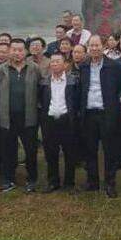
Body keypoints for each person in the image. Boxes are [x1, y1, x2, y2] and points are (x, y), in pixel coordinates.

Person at [79, 35, 121, 197]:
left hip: (107, 113)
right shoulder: (84, 66)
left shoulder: (114, 66)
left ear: (103, 46)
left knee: (109, 150)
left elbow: (120, 88)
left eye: (97, 45)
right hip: (89, 113)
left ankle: (110, 183)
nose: (94, 48)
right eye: (91, 46)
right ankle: (92, 182)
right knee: (90, 149)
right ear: (88, 47)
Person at [0, 38, 42, 193]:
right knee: (8, 150)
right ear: (9, 51)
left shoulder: (34, 68)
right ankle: (8, 179)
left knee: (30, 150)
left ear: (25, 51)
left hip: (28, 117)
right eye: (14, 49)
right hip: (7, 117)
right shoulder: (1, 69)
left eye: (20, 50)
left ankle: (32, 179)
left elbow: (40, 89)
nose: (17, 53)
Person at [39, 52, 80, 192]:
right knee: (51, 153)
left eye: (58, 61)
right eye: (52, 61)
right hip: (49, 121)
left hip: (67, 121)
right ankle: (53, 181)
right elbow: (40, 100)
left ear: (65, 64)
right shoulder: (44, 82)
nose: (55, 64)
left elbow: (77, 101)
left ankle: (69, 183)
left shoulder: (73, 81)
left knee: (70, 153)